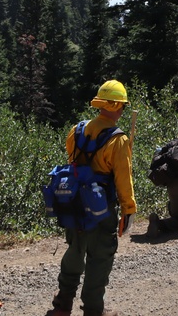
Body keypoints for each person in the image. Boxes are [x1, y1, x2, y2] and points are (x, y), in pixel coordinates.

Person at [48, 80, 135, 316]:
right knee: (101, 256)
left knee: (75, 250)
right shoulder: (119, 139)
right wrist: (128, 209)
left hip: (74, 200)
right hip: (101, 205)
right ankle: (94, 309)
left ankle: (62, 303)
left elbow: (72, 160)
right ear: (118, 107)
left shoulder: (77, 130)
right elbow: (123, 179)